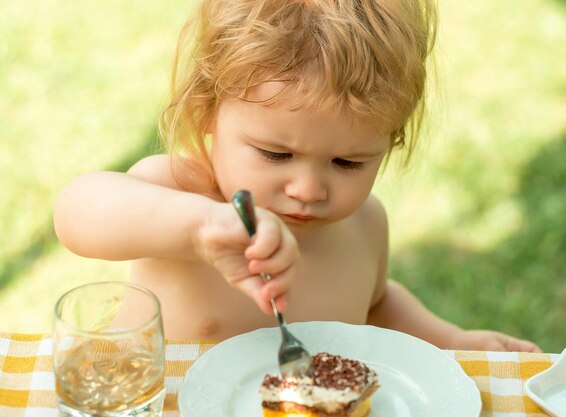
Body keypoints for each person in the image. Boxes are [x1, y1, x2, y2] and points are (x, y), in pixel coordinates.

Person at [54, 0, 540, 352]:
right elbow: (78, 211)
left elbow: (375, 307)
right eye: (275, 154)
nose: (308, 190)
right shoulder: (178, 191)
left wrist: (451, 339)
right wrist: (200, 228)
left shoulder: (365, 226)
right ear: (207, 116)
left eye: (348, 163)